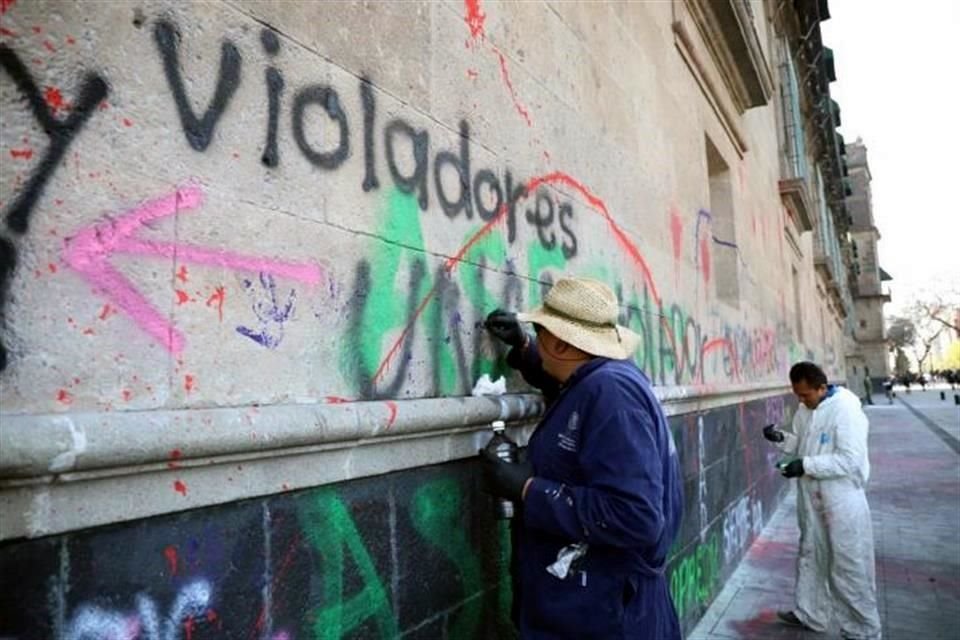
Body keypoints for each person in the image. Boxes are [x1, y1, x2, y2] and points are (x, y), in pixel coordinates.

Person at [480, 276, 683, 640]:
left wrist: (528, 489)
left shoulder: (612, 393)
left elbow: (634, 516)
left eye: (541, 333)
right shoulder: (605, 378)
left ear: (559, 343)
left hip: (607, 612)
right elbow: (568, 386)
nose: (539, 341)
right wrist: (526, 346)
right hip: (597, 604)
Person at [762, 362, 881, 640]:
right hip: (812, 501)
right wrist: (780, 439)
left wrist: (806, 465)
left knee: (849, 566)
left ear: (822, 387)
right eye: (797, 395)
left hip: (842, 502)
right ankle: (810, 613)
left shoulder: (846, 410)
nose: (801, 400)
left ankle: (862, 630)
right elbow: (803, 444)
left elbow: (850, 461)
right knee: (811, 556)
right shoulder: (807, 410)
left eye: (805, 395)